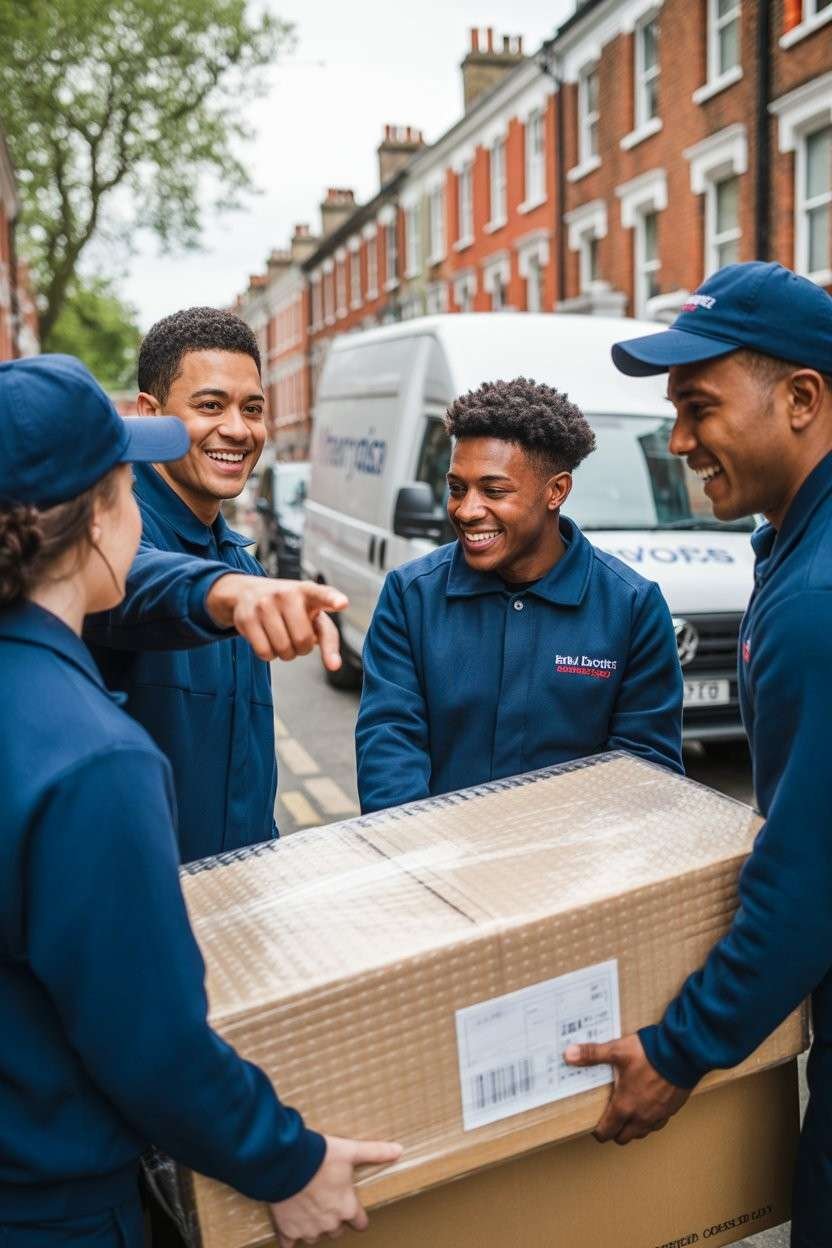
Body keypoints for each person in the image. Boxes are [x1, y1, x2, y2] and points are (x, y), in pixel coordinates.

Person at [0, 354, 400, 1248]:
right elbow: (146, 1040)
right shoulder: (90, 758)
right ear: (101, 515)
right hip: (52, 1200)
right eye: (125, 481)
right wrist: (286, 1162)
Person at [563, 261, 832, 1245]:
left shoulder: (816, 599)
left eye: (696, 407)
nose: (676, 441)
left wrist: (677, 1051)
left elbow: (806, 879)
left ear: (800, 399)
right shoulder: (797, 551)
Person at [86, 307, 344, 863]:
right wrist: (223, 593)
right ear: (149, 416)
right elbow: (128, 579)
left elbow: (243, 767)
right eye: (210, 406)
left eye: (253, 409)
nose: (238, 429)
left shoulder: (241, 562)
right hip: (144, 911)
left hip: (238, 893)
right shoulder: (111, 532)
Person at [355, 378, 683, 814]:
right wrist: (419, 862)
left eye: (494, 491)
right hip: (439, 868)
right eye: (457, 488)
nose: (467, 510)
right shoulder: (410, 596)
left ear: (556, 491)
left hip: (577, 875)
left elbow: (644, 773)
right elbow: (389, 749)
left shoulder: (631, 607)